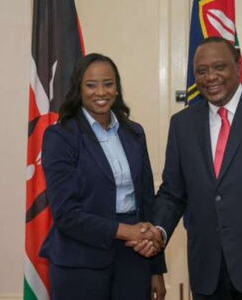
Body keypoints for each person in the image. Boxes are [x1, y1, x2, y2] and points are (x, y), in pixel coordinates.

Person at [129, 37, 242, 300]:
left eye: (219, 67)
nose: (210, 77)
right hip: (208, 273)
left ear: (237, 66)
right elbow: (173, 193)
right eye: (201, 71)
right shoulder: (182, 125)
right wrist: (157, 231)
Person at [40, 53, 166, 300]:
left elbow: (147, 202)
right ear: (78, 89)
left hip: (134, 260)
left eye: (108, 84)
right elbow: (66, 214)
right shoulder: (60, 136)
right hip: (80, 264)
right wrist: (126, 231)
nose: (101, 92)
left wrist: (155, 269)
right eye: (91, 85)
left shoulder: (134, 132)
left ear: (117, 88)